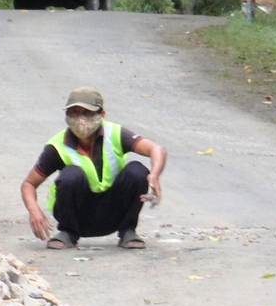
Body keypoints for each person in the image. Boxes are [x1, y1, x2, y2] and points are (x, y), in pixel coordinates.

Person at [21, 87, 167, 249]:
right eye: (74, 113)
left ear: (101, 115)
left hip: (113, 213)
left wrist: (154, 175)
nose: (80, 119)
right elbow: (29, 184)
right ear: (67, 115)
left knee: (137, 171)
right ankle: (68, 233)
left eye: (87, 113)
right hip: (78, 216)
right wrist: (34, 210)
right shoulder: (57, 145)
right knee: (71, 174)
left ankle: (128, 231)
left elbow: (156, 149)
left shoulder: (115, 134)